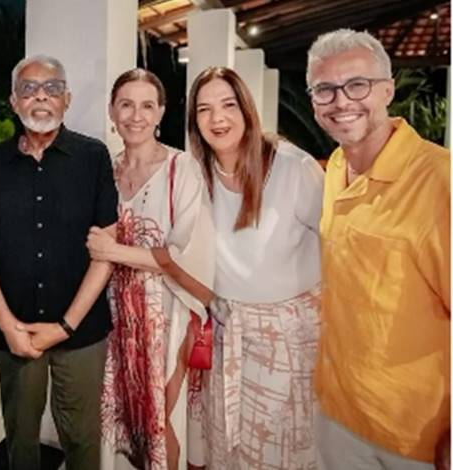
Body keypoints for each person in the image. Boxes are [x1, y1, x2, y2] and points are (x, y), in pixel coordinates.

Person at [307, 29, 450, 470]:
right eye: (325, 89)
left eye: (357, 84)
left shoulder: (438, 181)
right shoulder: (333, 168)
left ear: (388, 89)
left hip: (414, 434)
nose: (341, 101)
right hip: (336, 412)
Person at [0, 54, 118, 470]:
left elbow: (105, 251)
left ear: (67, 99)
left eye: (52, 88)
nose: (41, 97)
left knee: (82, 441)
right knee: (20, 441)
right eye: (29, 88)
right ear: (13, 101)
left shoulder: (94, 157)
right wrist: (8, 325)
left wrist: (64, 327)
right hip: (15, 331)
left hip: (82, 333)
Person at [186, 67, 325, 469]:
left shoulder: (292, 168)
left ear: (247, 109)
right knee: (228, 450)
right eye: (204, 109)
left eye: (228, 105)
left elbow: (340, 247)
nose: (218, 119)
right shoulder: (198, 175)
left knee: (283, 452)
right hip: (229, 334)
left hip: (291, 340)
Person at [85, 68, 215, 470]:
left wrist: (113, 251)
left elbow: (186, 253)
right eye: (126, 104)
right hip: (111, 317)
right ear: (112, 111)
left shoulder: (183, 170)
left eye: (146, 105)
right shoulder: (104, 168)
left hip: (167, 317)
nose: (135, 115)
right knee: (123, 420)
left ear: (161, 113)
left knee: (159, 418)